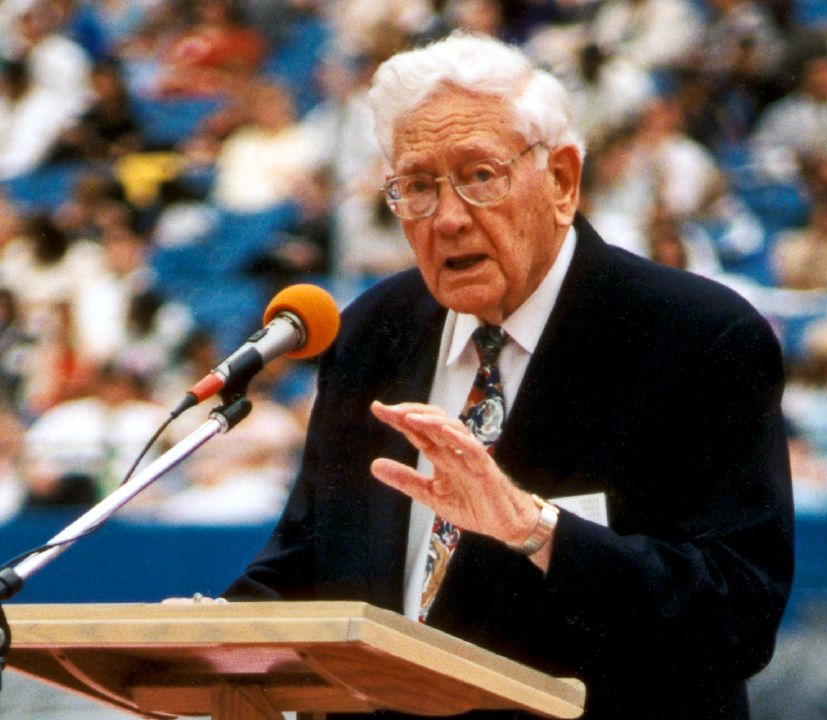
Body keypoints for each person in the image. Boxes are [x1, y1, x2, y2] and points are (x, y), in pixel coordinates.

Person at [223, 33, 794, 720]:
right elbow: (307, 559)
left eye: (480, 175)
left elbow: (737, 615)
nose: (449, 218)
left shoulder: (699, 336)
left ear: (561, 181)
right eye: (418, 187)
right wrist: (208, 638)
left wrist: (535, 528)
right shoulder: (374, 332)